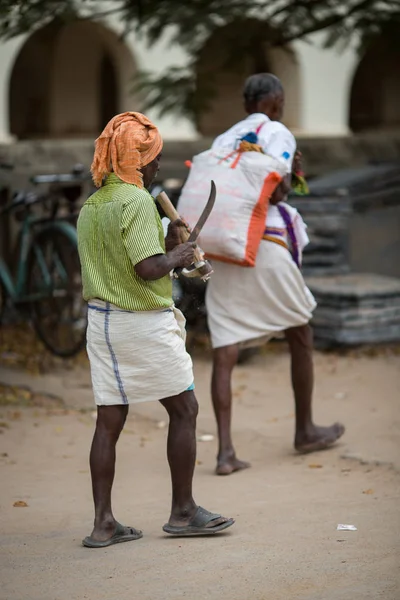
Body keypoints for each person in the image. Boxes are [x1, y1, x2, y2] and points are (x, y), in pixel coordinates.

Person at [77, 112, 234, 546]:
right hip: (143, 324)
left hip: (102, 325)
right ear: (134, 159)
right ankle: (183, 512)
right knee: (184, 411)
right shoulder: (137, 201)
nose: (157, 166)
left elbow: (124, 259)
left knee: (109, 421)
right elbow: (147, 270)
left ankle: (103, 523)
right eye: (153, 158)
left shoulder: (92, 206)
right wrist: (180, 257)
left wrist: (167, 247)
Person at [207, 74, 345, 476]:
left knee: (225, 348)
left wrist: (291, 174)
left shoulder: (224, 139)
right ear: (277, 101)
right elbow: (279, 192)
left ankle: (225, 453)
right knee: (300, 331)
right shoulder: (277, 131)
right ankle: (305, 429)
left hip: (225, 247)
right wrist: (292, 175)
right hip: (264, 243)